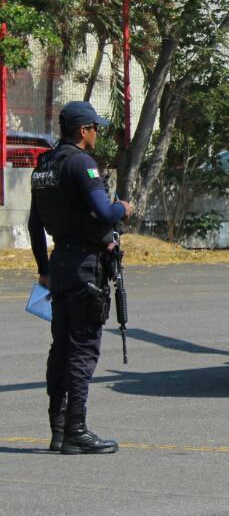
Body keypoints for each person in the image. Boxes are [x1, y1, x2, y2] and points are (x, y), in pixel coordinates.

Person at [29, 101, 133, 454]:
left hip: (59, 265)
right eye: (94, 127)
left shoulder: (44, 166)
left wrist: (43, 268)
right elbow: (104, 213)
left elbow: (34, 223)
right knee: (83, 349)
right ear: (82, 130)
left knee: (61, 348)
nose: (97, 133)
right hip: (83, 265)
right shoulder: (80, 163)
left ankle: (59, 432)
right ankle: (76, 429)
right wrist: (124, 208)